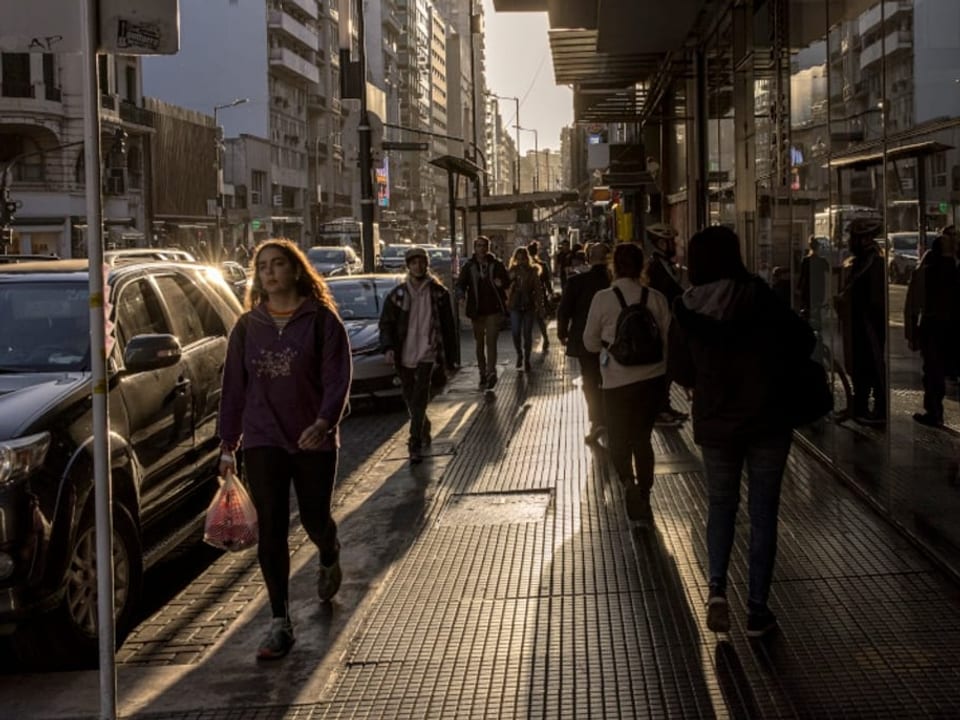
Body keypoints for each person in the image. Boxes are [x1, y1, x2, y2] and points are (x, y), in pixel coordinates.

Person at [668, 225, 815, 639]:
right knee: (763, 512)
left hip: (716, 421)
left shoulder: (686, 307)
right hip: (767, 417)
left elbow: (678, 369)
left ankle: (716, 590)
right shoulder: (760, 297)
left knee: (721, 505)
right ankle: (757, 610)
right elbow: (803, 339)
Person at [218, 238, 352, 660]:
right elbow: (233, 389)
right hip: (263, 440)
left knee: (314, 517)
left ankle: (329, 551)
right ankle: (280, 621)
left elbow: (337, 379)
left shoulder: (321, 321)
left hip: (312, 438)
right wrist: (228, 444)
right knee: (271, 527)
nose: (270, 273)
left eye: (279, 265)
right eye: (263, 267)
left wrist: (323, 421)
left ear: (296, 271)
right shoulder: (247, 327)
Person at [583, 243, 670, 524]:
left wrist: (610, 347)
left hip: (616, 381)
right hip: (652, 379)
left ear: (614, 266)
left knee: (619, 437)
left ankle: (627, 482)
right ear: (642, 266)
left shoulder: (603, 298)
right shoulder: (655, 297)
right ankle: (644, 493)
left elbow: (589, 342)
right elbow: (668, 338)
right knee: (643, 438)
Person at [379, 246, 458, 462]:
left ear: (427, 264)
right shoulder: (397, 295)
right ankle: (423, 425)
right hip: (404, 352)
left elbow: (449, 328)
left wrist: (451, 358)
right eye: (414, 263)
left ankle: (414, 443)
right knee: (409, 394)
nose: (418, 266)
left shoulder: (439, 293)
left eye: (422, 262)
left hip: (428, 351)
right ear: (409, 266)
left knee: (421, 394)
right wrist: (388, 348)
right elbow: (386, 324)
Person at [904, 228, 959, 428]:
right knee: (938, 369)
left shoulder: (929, 267)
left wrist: (911, 331)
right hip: (947, 326)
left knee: (933, 370)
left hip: (935, 325)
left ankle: (934, 411)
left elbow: (914, 300)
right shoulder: (952, 266)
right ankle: (935, 410)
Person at [835, 216, 887, 426]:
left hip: (868, 324)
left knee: (871, 364)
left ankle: (879, 408)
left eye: (854, 237)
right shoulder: (861, 262)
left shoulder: (874, 262)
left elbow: (873, 298)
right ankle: (860, 404)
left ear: (865, 239)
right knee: (857, 365)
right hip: (857, 322)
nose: (850, 242)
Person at [557, 242, 610, 443]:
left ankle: (597, 420)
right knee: (610, 377)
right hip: (611, 341)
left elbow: (564, 310)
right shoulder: (614, 281)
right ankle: (612, 417)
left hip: (585, 339)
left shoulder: (577, 282)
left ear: (588, 258)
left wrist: (562, 333)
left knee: (590, 379)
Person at [644, 222, 689, 427]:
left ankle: (665, 405)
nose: (675, 245)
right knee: (664, 367)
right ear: (662, 243)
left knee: (669, 367)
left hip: (670, 323)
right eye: (671, 241)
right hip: (663, 324)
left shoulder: (665, 265)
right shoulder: (655, 267)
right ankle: (658, 409)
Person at [455, 236, 509, 390]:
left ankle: (491, 372)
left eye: (484, 246)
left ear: (488, 247)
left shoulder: (496, 264)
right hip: (477, 311)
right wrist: (461, 296)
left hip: (493, 310)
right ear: (475, 248)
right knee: (479, 343)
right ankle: (482, 372)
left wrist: (501, 283)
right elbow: (460, 284)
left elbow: (506, 281)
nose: (482, 249)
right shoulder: (469, 266)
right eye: (479, 246)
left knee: (491, 342)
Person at [506, 246, 545, 373]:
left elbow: (538, 289)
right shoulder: (513, 270)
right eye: (519, 258)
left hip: (528, 304)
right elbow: (506, 285)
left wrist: (540, 305)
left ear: (527, 259)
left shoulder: (532, 271)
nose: (521, 261)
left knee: (527, 334)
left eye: (523, 258)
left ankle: (527, 358)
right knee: (516, 332)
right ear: (516, 259)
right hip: (515, 304)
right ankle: (519, 354)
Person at [797, 235, 830, 327]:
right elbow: (829, 269)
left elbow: (802, 276)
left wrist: (798, 287)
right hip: (818, 289)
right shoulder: (822, 260)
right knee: (817, 310)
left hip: (807, 288)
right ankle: (817, 327)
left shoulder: (806, 260)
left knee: (807, 310)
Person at [528, 240, 551, 351]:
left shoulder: (526, 267)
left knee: (528, 321)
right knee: (540, 320)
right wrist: (550, 293)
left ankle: (531, 343)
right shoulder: (542, 265)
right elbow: (547, 282)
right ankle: (545, 338)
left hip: (528, 296)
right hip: (540, 295)